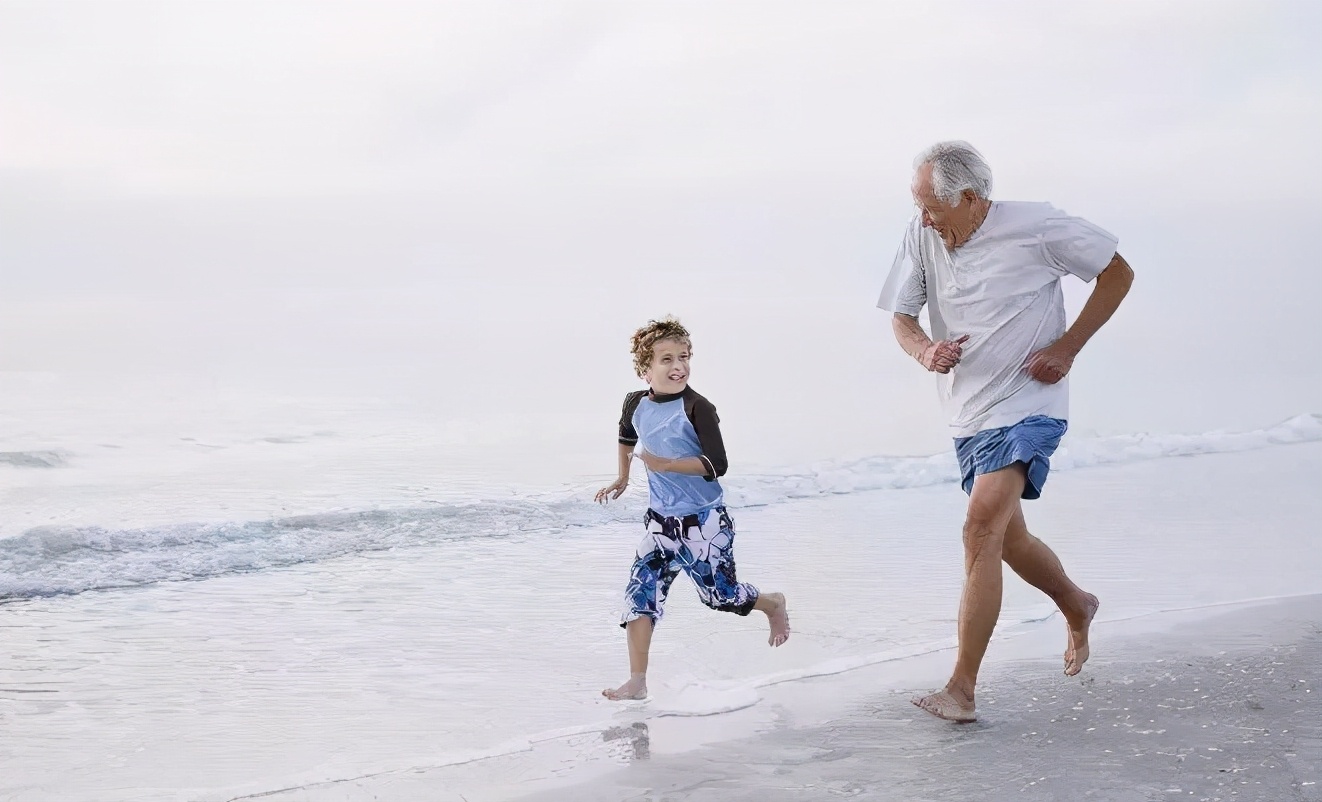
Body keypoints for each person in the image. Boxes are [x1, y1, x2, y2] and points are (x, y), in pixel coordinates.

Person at [877, 141, 1134, 723]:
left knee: (979, 528)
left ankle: (961, 689)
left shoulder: (1038, 225)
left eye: (933, 207)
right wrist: (925, 352)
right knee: (1007, 538)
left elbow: (1117, 273)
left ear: (969, 198)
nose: (923, 218)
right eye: (918, 206)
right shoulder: (921, 237)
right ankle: (1076, 603)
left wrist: (1067, 348)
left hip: (1031, 402)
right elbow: (901, 317)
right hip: (969, 412)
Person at [595, 317, 790, 701]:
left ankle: (772, 603)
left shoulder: (697, 407)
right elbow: (626, 435)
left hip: (704, 522)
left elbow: (717, 464)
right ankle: (637, 681)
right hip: (659, 524)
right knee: (639, 596)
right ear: (645, 368)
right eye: (666, 359)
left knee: (721, 597)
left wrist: (666, 464)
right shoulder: (635, 402)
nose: (678, 366)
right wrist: (622, 477)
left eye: (683, 357)